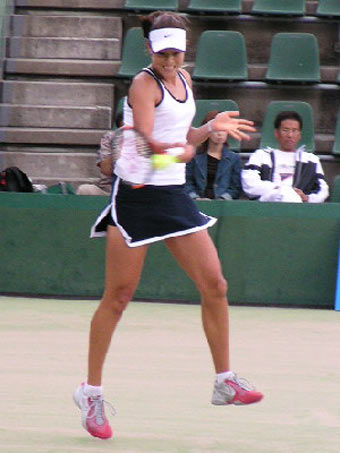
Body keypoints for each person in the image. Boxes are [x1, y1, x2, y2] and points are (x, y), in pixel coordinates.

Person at [73, 11, 263, 440]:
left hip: (173, 195)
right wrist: (177, 153)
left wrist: (208, 129)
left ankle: (224, 381)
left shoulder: (186, 80)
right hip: (137, 195)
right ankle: (91, 392)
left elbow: (183, 137)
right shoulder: (142, 84)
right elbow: (145, 142)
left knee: (215, 284)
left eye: (177, 52)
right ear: (149, 49)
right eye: (163, 53)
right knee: (119, 296)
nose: (171, 61)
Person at [242, 111, 329, 203]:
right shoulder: (261, 156)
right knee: (285, 193)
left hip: (299, 208)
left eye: (294, 131)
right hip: (267, 206)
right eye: (285, 130)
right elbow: (249, 183)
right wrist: (280, 189)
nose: (290, 135)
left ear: (299, 135)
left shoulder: (311, 160)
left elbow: (323, 190)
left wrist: (307, 198)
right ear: (276, 133)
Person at [185, 110, 242, 201]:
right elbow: (187, 182)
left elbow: (235, 188)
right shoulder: (194, 156)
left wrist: (222, 199)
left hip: (223, 206)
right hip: (197, 204)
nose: (220, 134)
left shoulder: (234, 159)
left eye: (223, 130)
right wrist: (196, 198)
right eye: (216, 130)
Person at [76, 112, 123, 196]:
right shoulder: (111, 137)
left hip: (140, 190)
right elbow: (106, 170)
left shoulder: (148, 139)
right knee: (84, 190)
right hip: (109, 190)